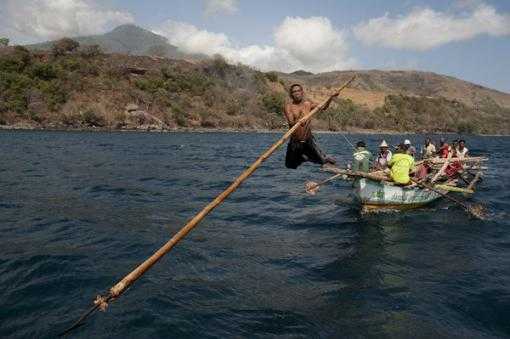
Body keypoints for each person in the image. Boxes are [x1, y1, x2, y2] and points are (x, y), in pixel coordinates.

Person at [283, 84, 337, 169]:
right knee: (290, 166)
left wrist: (330, 98)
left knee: (322, 161)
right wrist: (299, 120)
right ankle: (304, 157)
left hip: (308, 140)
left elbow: (323, 107)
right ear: (291, 94)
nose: (297, 93)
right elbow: (291, 122)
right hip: (295, 142)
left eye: (298, 91)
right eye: (294, 92)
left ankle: (319, 157)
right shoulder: (288, 106)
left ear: (302, 92)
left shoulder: (308, 104)